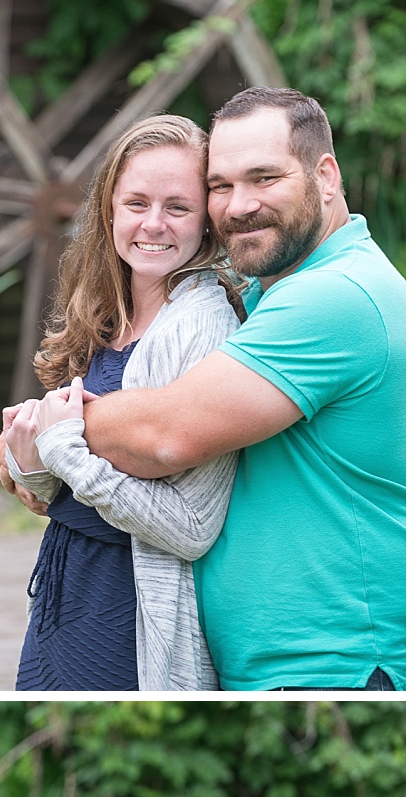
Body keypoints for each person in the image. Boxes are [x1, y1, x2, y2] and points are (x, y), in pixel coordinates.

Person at [34, 87, 404, 691]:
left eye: (264, 178)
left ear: (326, 176)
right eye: (222, 185)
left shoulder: (337, 297)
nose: (239, 205)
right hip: (269, 667)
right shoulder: (268, 292)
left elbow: (166, 436)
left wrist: (43, 431)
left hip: (336, 665)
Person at [0, 115, 243, 691]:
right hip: (64, 591)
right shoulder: (107, 317)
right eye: (136, 202)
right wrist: (28, 457)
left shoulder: (204, 326)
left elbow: (192, 528)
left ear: (207, 221)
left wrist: (62, 447)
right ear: (108, 209)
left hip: (130, 613)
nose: (153, 224)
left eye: (178, 207)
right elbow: (57, 486)